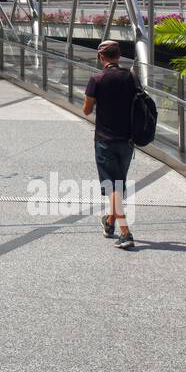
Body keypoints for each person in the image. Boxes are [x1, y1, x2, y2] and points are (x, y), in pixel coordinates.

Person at [82, 39, 137, 249]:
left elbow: (86, 110)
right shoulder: (131, 77)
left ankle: (125, 231)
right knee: (118, 185)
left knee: (112, 185)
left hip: (105, 141)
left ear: (101, 57)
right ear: (119, 56)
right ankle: (110, 223)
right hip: (128, 141)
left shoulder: (97, 79)